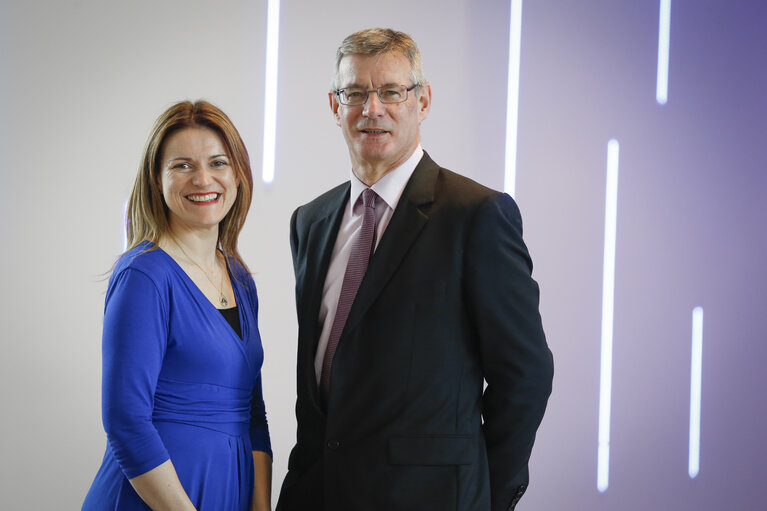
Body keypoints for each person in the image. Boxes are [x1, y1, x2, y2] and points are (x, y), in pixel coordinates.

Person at [276, 28, 554, 511]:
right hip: (315, 494)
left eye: (390, 92)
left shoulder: (475, 215)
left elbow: (526, 374)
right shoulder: (311, 222)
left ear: (422, 101)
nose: (371, 109)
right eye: (355, 93)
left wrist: (486, 497)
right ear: (333, 105)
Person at [82, 100, 272, 511]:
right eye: (182, 165)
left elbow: (254, 414)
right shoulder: (144, 276)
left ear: (238, 173)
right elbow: (126, 423)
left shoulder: (240, 278)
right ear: (157, 179)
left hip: (228, 494)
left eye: (218, 162)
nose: (203, 179)